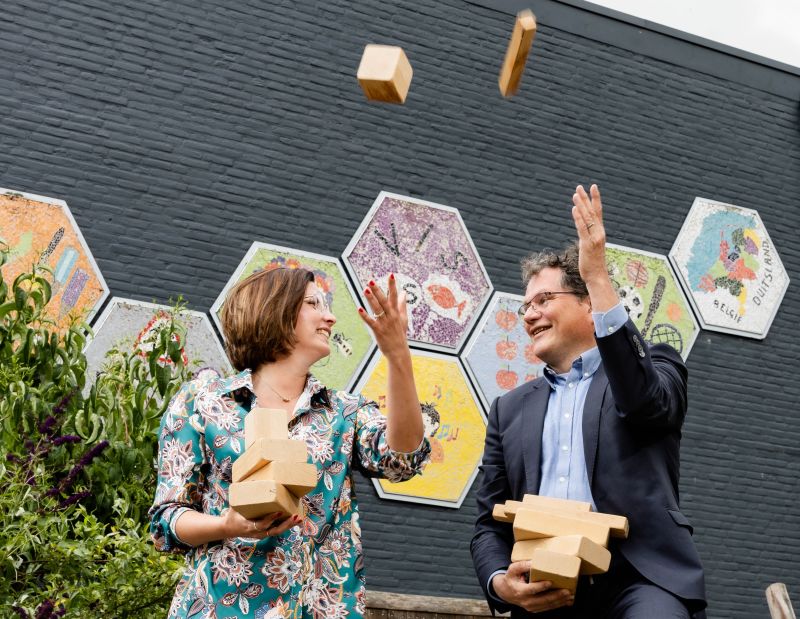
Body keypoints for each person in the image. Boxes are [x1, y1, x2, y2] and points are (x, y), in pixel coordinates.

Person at [470, 185, 706, 618]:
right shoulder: (509, 409)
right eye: (525, 306)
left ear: (586, 305)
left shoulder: (654, 364)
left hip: (640, 578)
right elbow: (487, 523)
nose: (529, 314)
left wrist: (596, 272)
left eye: (544, 300)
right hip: (545, 585)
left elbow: (647, 406)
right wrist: (501, 584)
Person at [150, 267, 430, 618]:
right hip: (219, 607)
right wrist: (228, 525)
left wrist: (397, 354)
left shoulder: (343, 412)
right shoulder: (202, 402)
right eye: (314, 303)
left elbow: (403, 459)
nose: (330, 316)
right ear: (275, 311)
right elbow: (167, 521)